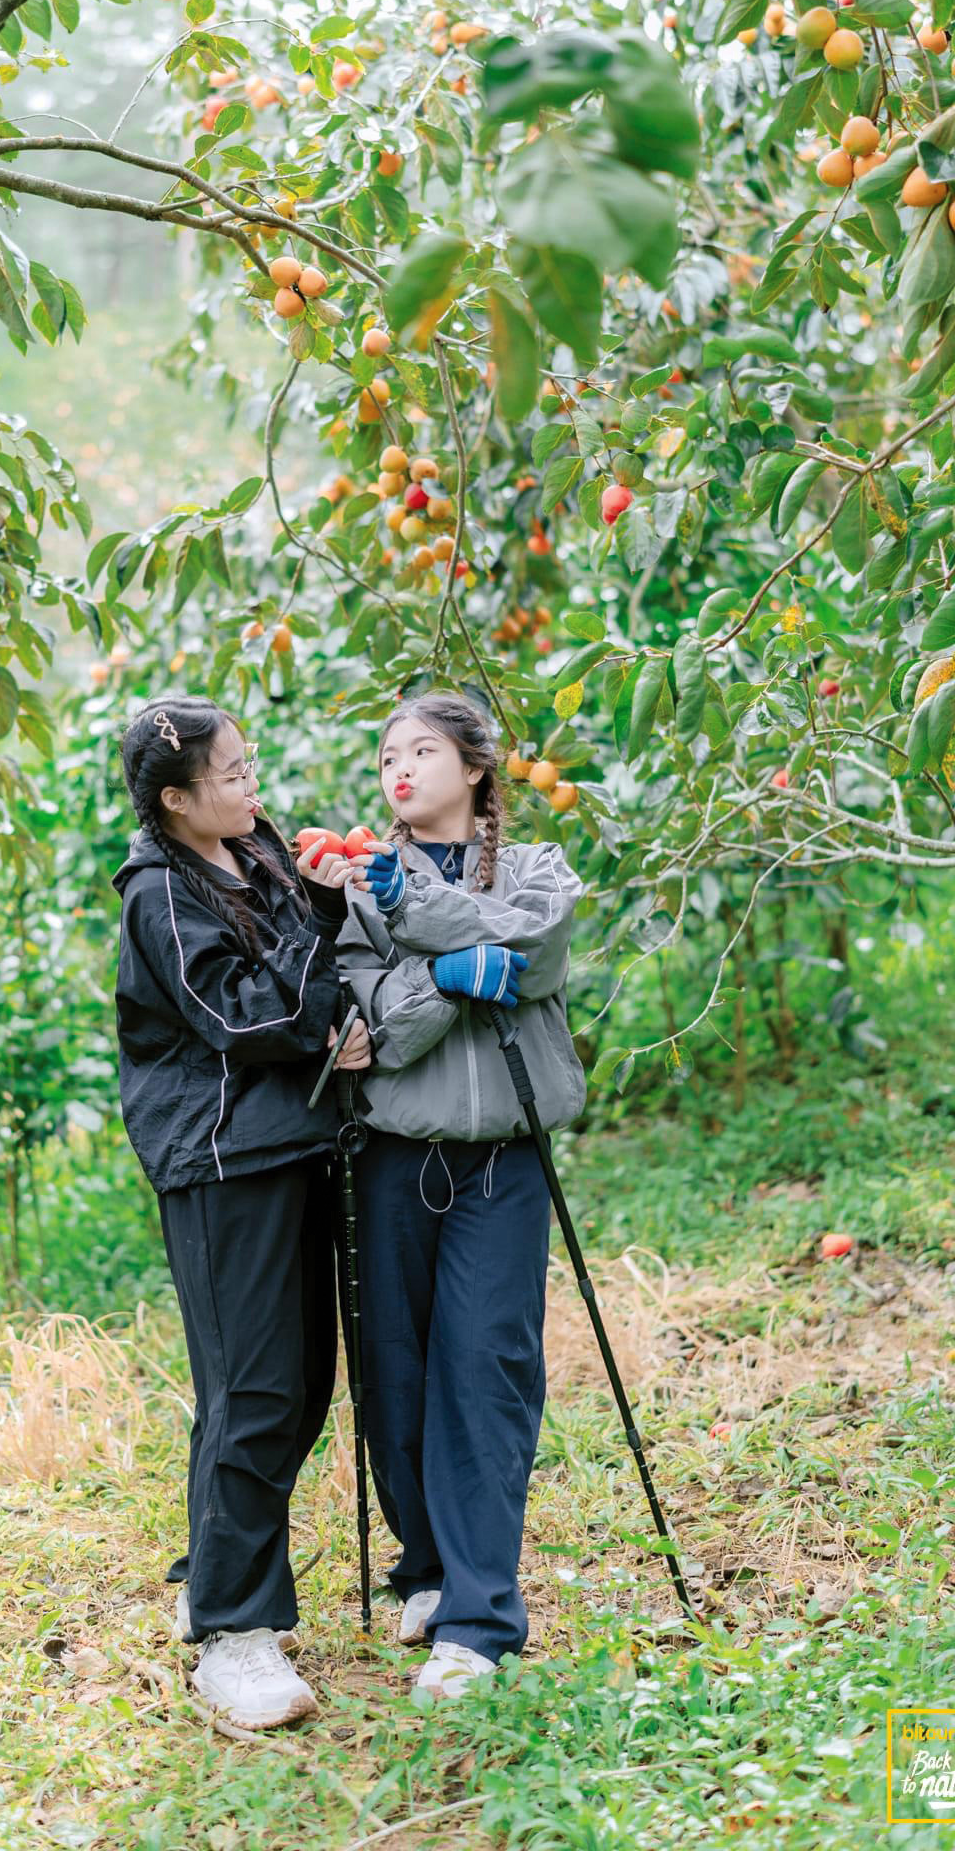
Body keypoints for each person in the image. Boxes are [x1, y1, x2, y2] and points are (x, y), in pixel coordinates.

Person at [112, 695, 371, 1730]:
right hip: (221, 1160)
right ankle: (232, 1631)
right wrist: (318, 1012)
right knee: (252, 1386)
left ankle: (210, 1576)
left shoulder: (253, 848)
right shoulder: (160, 895)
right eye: (230, 774)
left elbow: (305, 967)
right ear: (176, 799)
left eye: (249, 764)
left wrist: (328, 907)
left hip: (292, 1139)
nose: (252, 784)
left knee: (299, 1382)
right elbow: (239, 1011)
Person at [336, 689, 585, 1701]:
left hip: (505, 1161)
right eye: (389, 751)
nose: (400, 766)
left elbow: (533, 953)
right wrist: (450, 978)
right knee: (396, 1377)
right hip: (394, 1157)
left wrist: (423, 920)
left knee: (486, 1374)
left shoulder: (536, 869)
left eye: (424, 748)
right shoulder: (359, 884)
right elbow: (367, 1025)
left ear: (478, 766)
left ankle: (480, 1622)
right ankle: (429, 1567)